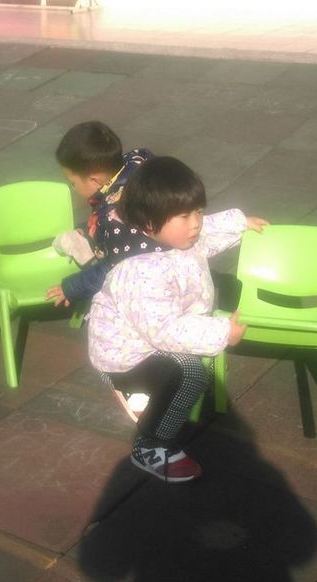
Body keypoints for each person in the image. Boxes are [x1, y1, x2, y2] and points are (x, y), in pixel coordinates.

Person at [87, 156, 266, 482]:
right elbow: (165, 330)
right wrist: (222, 332)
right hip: (124, 356)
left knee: (186, 370)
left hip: (148, 337)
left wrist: (240, 223)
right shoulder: (141, 270)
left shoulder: (178, 237)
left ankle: (151, 395)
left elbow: (208, 232)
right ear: (149, 224)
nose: (195, 223)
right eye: (184, 216)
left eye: (197, 211)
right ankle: (151, 443)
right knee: (190, 374)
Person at [45, 121, 161, 309]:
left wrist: (71, 287)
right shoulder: (136, 163)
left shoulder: (116, 218)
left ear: (95, 181)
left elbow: (113, 268)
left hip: (147, 284)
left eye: (73, 182)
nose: (72, 188)